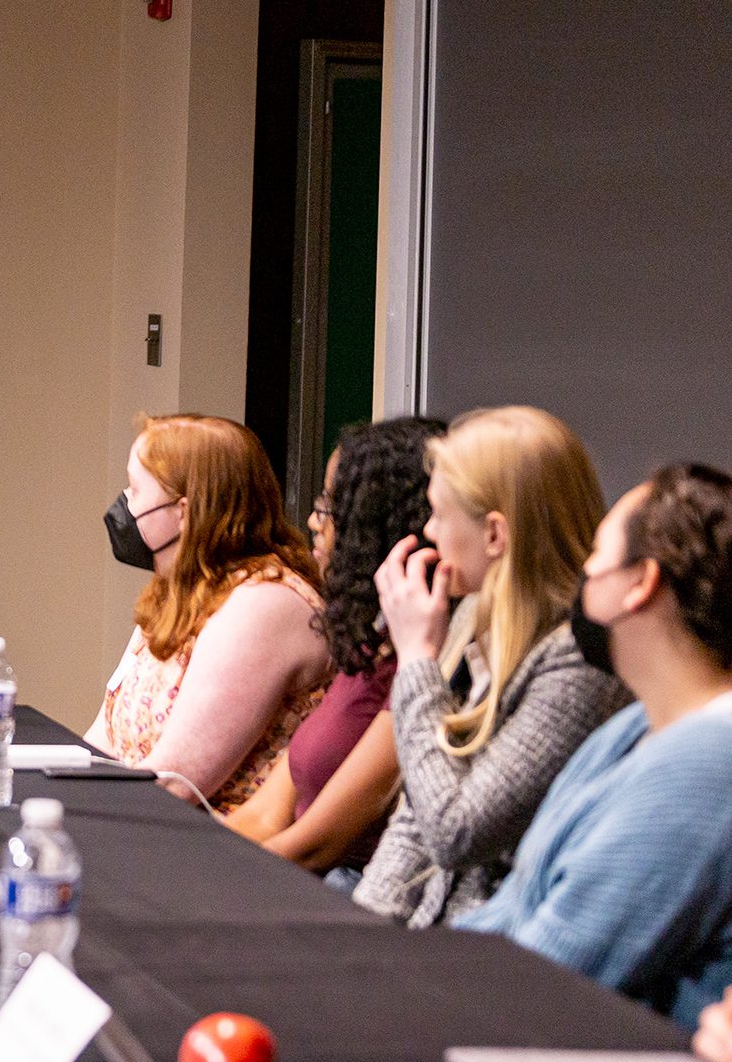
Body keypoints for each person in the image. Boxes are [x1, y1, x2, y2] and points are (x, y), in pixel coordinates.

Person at [456, 465, 732, 1030]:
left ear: (641, 582)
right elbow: (516, 906)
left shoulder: (709, 766)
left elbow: (550, 974)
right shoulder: (632, 727)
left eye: (598, 553)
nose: (584, 571)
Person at [353, 406, 627, 928]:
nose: (429, 531)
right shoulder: (476, 626)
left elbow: (456, 831)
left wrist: (415, 661)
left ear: (496, 536)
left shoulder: (580, 665)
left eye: (439, 514)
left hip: (494, 960)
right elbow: (414, 817)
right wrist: (361, 938)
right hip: (427, 940)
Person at [228, 418, 442, 879]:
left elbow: (316, 846)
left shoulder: (425, 665)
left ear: (377, 523)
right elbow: (266, 813)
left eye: (330, 506)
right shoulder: (372, 645)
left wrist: (211, 880)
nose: (313, 522)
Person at [85, 415, 331, 810]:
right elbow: (102, 740)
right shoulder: (177, 590)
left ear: (183, 511)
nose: (124, 504)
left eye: (134, 490)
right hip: (141, 826)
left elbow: (174, 784)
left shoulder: (263, 603)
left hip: (214, 852)